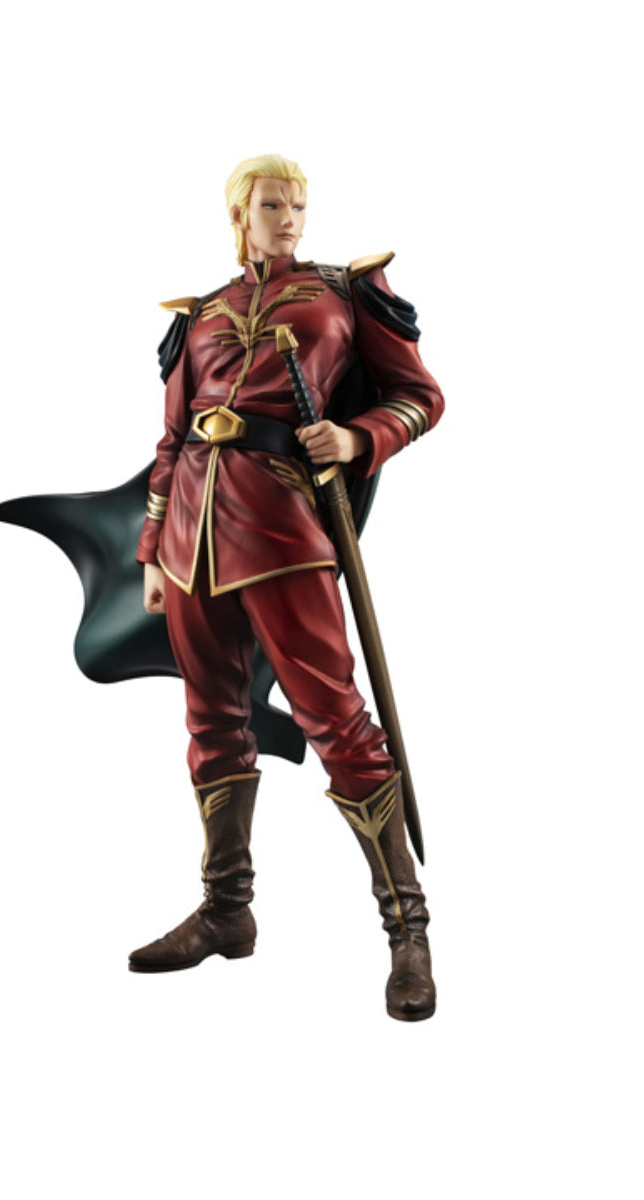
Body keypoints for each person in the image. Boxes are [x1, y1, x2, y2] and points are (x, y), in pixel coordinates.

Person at [128, 154, 445, 1021]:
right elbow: (170, 442)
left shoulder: (344, 293)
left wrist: (357, 439)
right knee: (210, 719)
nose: (291, 218)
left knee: (335, 717)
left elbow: (420, 396)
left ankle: (407, 929)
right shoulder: (200, 316)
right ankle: (227, 911)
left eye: (299, 204)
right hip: (191, 537)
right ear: (241, 213)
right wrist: (153, 550)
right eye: (274, 204)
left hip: (281, 532)